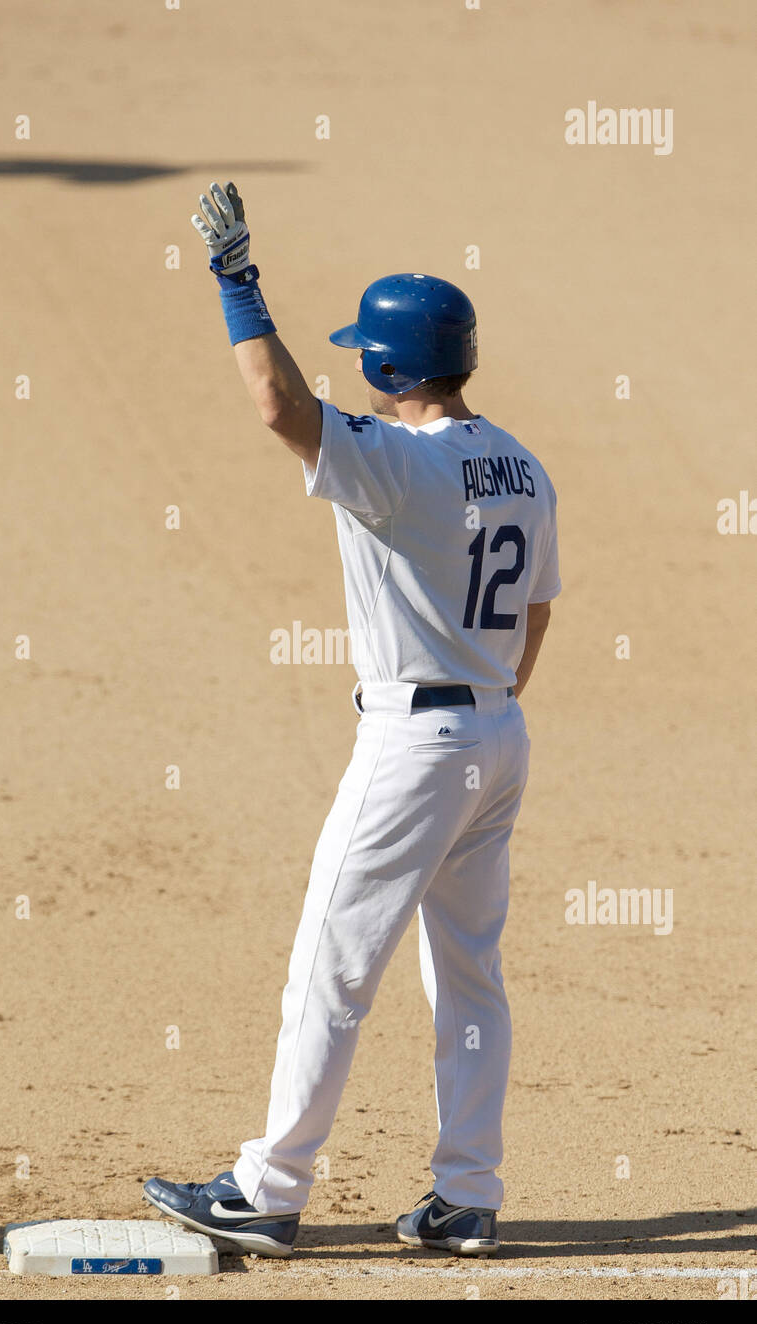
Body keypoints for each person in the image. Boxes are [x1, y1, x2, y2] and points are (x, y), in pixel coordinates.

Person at [143, 182, 561, 1258]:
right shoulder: (520, 464)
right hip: (495, 735)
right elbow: (538, 608)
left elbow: (281, 407)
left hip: (414, 747)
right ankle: (465, 1193)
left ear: (385, 370)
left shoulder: (395, 466)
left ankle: (267, 1188)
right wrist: (488, 706)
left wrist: (237, 283)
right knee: (468, 970)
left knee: (331, 962)